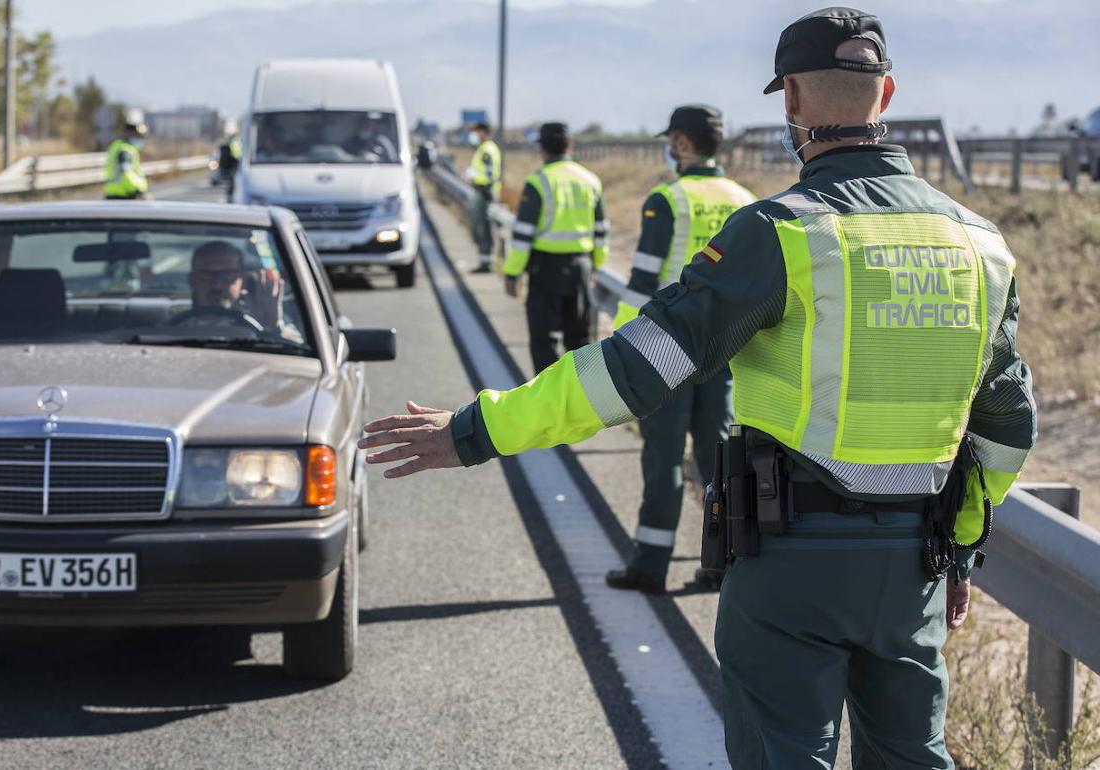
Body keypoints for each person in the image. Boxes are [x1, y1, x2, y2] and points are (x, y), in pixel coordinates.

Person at [358, 8, 1036, 769]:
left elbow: (634, 370)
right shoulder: (982, 245)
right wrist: (961, 544)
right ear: (886, 96)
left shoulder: (785, 231)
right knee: (915, 757)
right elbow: (1009, 427)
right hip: (914, 562)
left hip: (791, 565)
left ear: (791, 103)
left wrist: (477, 430)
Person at [605, 105, 758, 595]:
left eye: (671, 140)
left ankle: (650, 566)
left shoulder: (667, 199)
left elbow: (642, 281)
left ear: (685, 144)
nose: (669, 150)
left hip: (666, 353)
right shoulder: (746, 201)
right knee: (717, 463)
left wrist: (625, 351)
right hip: (725, 352)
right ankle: (719, 566)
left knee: (664, 459)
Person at [504, 122, 610, 373]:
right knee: (581, 341)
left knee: (544, 342)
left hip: (545, 271)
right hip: (581, 267)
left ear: (541, 148)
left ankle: (549, 405)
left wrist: (512, 272)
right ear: (570, 146)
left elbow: (522, 237)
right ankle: (581, 402)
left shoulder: (538, 182)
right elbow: (602, 231)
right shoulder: (591, 180)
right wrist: (595, 263)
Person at [183, 240, 301, 343]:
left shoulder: (267, 317)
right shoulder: (167, 322)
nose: (217, 285)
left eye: (228, 275)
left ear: (243, 281)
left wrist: (270, 328)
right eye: (207, 275)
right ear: (192, 281)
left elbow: (299, 353)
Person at [464, 122, 502, 273]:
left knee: (483, 228)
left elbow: (489, 174)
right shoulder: (484, 148)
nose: (473, 135)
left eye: (476, 132)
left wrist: (475, 177)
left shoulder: (487, 150)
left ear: (482, 132)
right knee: (479, 228)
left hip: (485, 193)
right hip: (481, 191)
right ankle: (484, 262)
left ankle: (486, 264)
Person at [104, 118, 149, 200]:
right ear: (128, 134)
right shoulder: (125, 151)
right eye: (138, 135)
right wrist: (137, 190)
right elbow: (125, 174)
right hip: (124, 197)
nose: (140, 139)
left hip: (115, 196)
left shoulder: (117, 146)